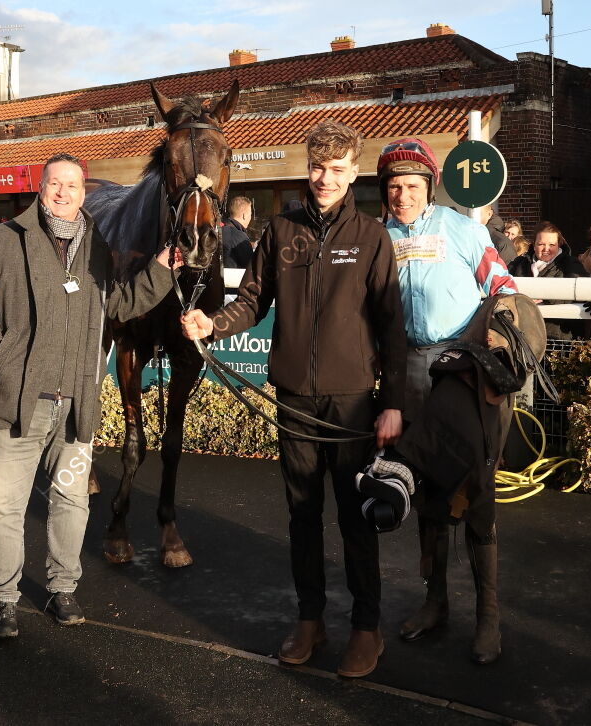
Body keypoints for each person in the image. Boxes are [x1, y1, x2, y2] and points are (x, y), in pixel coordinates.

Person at [181, 120, 406, 678]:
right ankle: (310, 618)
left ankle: (366, 627)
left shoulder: (373, 237)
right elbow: (253, 300)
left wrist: (394, 402)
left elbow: (392, 325)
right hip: (294, 401)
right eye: (317, 167)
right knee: (302, 515)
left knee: (356, 519)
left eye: (336, 169)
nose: (324, 178)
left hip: (353, 399)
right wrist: (213, 322)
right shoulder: (280, 230)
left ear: (353, 172)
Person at [0, 152, 180, 640]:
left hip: (77, 403)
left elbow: (118, 303)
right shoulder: (3, 239)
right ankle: (4, 598)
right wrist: (4, 358)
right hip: (19, 400)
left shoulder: (96, 247)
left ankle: (63, 587)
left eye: (73, 186)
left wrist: (162, 270)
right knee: (5, 508)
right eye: (55, 184)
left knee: (72, 502)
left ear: (85, 193)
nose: (64, 193)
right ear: (41, 188)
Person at [377, 137, 517, 665]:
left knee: (478, 493)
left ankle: (489, 618)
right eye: (393, 187)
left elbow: (501, 285)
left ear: (429, 188)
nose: (402, 195)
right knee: (426, 490)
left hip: (465, 369)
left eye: (411, 186)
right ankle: (435, 602)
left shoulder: (461, 227)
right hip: (410, 369)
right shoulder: (379, 237)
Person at [507, 221, 584, 339]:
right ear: (533, 244)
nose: (546, 249)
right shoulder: (519, 264)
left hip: (556, 337)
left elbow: (578, 292)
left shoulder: (571, 265)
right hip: (522, 334)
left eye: (552, 245)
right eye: (541, 244)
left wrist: (544, 298)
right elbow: (503, 286)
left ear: (559, 244)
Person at [221, 196, 255, 269]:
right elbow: (251, 267)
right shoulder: (240, 236)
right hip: (233, 280)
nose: (250, 218)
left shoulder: (218, 230)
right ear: (244, 216)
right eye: (250, 214)